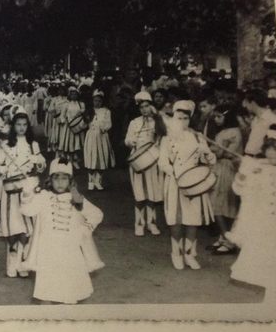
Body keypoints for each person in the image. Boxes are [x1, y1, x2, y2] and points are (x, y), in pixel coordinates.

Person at [227, 124, 276, 320]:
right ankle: (273, 308)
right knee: (270, 269)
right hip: (267, 228)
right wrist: (244, 173)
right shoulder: (259, 169)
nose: (272, 152)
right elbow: (239, 190)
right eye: (269, 147)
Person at [19, 158, 104, 304]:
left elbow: (97, 214)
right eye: (56, 178)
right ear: (50, 180)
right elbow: (27, 210)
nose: (60, 182)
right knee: (49, 290)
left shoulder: (76, 199)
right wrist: (27, 192)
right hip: (48, 250)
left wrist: (84, 229)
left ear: (70, 181)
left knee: (70, 290)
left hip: (70, 250)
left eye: (64, 178)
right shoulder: (43, 196)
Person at [158, 100, 216, 270]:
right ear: (173, 118)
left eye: (185, 118)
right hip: (175, 182)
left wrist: (209, 155)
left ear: (190, 119)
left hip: (195, 183)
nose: (182, 122)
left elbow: (208, 160)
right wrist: (176, 174)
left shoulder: (198, 137)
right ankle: (176, 254)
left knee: (192, 219)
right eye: (178, 118)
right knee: (175, 219)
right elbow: (162, 162)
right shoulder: (167, 138)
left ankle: (190, 254)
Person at [0, 111, 46, 277]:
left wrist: (39, 163)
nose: (21, 128)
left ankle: (24, 263)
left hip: (29, 189)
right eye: (18, 124)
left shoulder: (33, 144)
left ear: (28, 126)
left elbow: (41, 166)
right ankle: (12, 261)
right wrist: (4, 169)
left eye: (24, 125)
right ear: (13, 126)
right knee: (13, 227)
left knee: (27, 228)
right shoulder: (6, 144)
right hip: (11, 190)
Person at [125, 91, 166, 236]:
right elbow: (127, 139)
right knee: (139, 193)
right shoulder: (134, 122)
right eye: (141, 107)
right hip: (138, 161)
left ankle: (152, 223)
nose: (144, 109)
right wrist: (131, 142)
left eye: (147, 106)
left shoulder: (158, 121)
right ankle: (139, 223)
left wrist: (157, 116)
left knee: (153, 193)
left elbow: (163, 134)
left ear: (152, 106)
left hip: (154, 160)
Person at [208, 106, 243, 254]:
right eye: (215, 117)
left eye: (219, 117)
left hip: (227, 169)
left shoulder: (233, 132)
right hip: (220, 167)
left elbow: (224, 152)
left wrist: (212, 149)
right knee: (219, 204)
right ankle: (223, 237)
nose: (216, 119)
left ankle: (228, 240)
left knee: (220, 204)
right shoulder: (224, 132)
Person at [83, 90, 115, 191]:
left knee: (102, 157)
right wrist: (87, 122)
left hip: (102, 136)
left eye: (99, 101)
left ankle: (98, 180)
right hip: (91, 136)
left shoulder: (106, 111)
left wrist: (103, 128)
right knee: (92, 158)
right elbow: (84, 124)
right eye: (95, 100)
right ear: (92, 101)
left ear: (102, 102)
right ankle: (90, 181)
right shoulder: (89, 111)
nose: (97, 103)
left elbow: (109, 124)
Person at [242, 88, 276, 156]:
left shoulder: (272, 120)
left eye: (245, 102)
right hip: (250, 158)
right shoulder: (255, 120)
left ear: (252, 103)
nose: (244, 105)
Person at [57, 86, 85, 168]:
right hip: (68, 126)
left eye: (75, 94)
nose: (73, 96)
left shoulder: (81, 104)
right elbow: (62, 115)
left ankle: (75, 160)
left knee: (76, 143)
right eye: (72, 94)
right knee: (69, 143)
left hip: (77, 126)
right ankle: (69, 160)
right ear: (69, 95)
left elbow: (83, 115)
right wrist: (63, 121)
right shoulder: (66, 105)